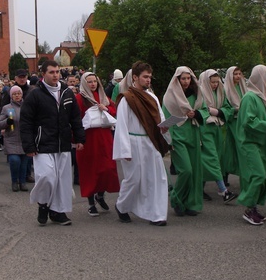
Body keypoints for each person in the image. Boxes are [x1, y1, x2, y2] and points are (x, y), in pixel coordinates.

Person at [20, 60, 86, 226]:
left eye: (57, 72)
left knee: (62, 181)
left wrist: (79, 138)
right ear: (44, 74)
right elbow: (26, 121)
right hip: (43, 144)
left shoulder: (67, 93)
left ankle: (58, 212)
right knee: (47, 177)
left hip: (63, 144)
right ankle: (43, 204)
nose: (55, 75)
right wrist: (28, 145)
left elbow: (75, 118)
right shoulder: (35, 94)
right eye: (51, 72)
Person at [113, 61, 171, 226]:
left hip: (150, 141)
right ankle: (122, 206)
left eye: (150, 77)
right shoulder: (127, 99)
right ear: (135, 77)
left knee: (157, 178)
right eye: (145, 77)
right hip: (133, 142)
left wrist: (164, 128)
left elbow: (159, 118)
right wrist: (124, 151)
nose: (148, 80)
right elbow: (121, 125)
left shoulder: (152, 97)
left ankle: (157, 214)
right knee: (134, 179)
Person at [236, 65, 266, 225]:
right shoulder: (250, 97)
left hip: (261, 142)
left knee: (263, 176)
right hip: (250, 142)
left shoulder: (263, 97)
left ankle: (253, 207)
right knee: (258, 175)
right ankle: (248, 207)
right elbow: (249, 121)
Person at [75, 72, 120, 216]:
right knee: (90, 171)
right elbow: (75, 118)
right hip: (88, 140)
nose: (93, 84)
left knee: (107, 168)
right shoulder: (79, 99)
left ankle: (100, 195)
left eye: (95, 81)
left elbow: (113, 109)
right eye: (89, 82)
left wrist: (106, 109)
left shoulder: (103, 97)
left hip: (105, 138)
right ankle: (90, 203)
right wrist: (76, 139)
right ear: (84, 83)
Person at [163, 66, 204, 217]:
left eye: (188, 78)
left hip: (193, 134)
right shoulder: (170, 95)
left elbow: (204, 110)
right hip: (177, 137)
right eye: (183, 79)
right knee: (186, 170)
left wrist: (197, 114)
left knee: (195, 172)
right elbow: (166, 119)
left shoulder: (197, 93)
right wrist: (169, 139)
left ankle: (190, 203)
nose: (186, 82)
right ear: (177, 79)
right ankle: (176, 198)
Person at [197, 70, 236, 203]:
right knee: (212, 158)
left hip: (218, 128)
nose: (214, 85)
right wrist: (209, 113)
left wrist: (218, 111)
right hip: (205, 128)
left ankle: (199, 189)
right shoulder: (199, 92)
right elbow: (199, 110)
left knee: (214, 158)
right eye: (212, 82)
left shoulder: (220, 92)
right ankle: (223, 190)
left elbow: (228, 108)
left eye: (216, 82)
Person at [0, 85, 27, 192]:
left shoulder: (27, 106)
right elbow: (0, 124)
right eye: (14, 94)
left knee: (24, 163)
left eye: (18, 93)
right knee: (15, 161)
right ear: (11, 96)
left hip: (24, 139)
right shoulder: (7, 108)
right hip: (11, 139)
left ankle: (22, 182)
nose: (17, 96)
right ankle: (14, 181)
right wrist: (7, 122)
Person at [221, 66, 247, 182]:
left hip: (242, 121)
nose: (237, 76)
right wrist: (235, 110)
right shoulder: (225, 90)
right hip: (232, 121)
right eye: (235, 74)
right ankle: (225, 173)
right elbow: (225, 107)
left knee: (239, 148)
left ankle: (240, 173)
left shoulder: (243, 88)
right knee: (231, 148)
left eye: (239, 73)